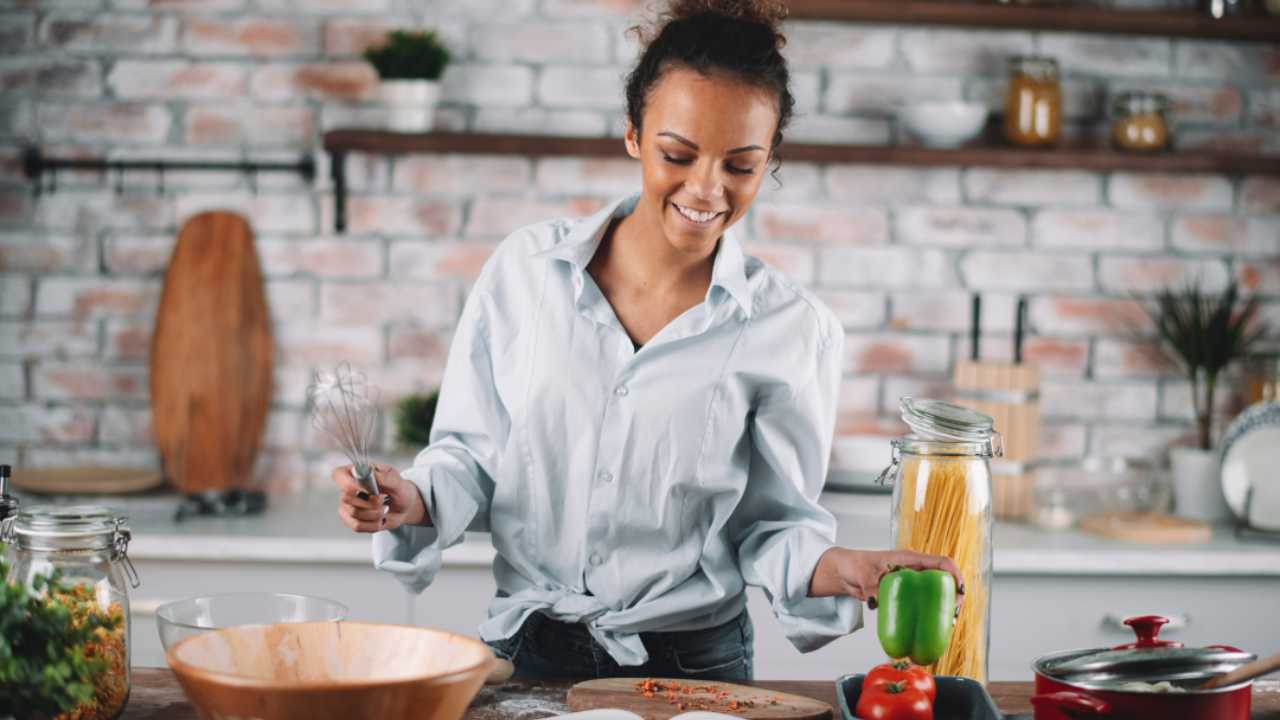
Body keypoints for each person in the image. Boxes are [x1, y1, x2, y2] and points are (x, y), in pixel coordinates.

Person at [333, 0, 963, 682]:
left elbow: (774, 524)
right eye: (678, 154)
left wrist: (847, 566)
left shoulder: (791, 328)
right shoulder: (526, 275)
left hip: (695, 667)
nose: (706, 188)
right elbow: (474, 457)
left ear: (770, 160)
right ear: (633, 134)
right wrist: (413, 497)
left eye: (741, 166)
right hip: (531, 651)